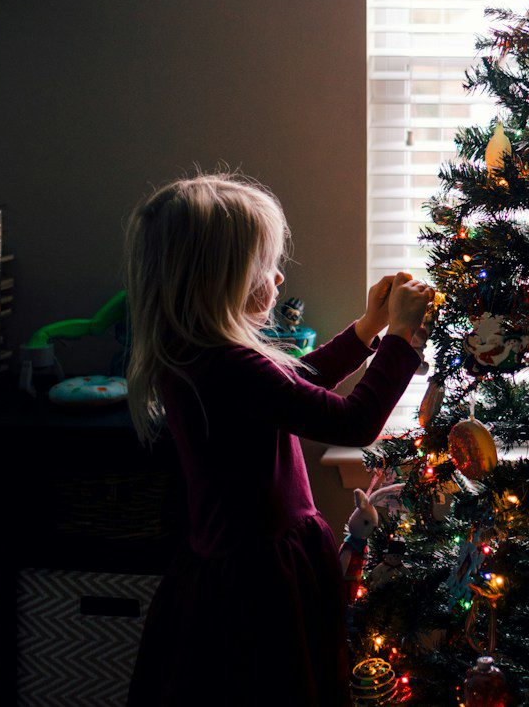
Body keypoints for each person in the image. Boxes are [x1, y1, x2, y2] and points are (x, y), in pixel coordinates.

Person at [123, 172, 433, 707]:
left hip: (234, 569)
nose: (278, 279)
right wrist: (401, 340)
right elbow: (353, 423)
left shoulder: (200, 355)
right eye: (265, 266)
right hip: (258, 583)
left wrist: (366, 330)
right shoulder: (230, 365)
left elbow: (294, 386)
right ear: (221, 279)